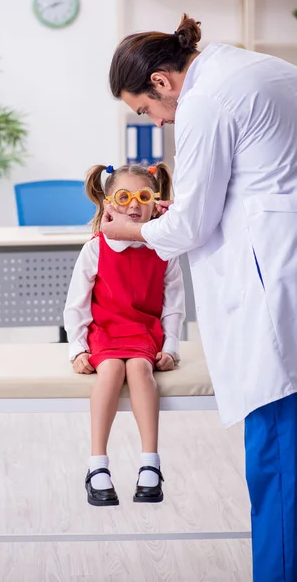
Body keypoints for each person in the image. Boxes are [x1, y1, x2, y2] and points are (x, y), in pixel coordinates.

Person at [104, 12, 297, 582]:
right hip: (282, 255)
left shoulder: (204, 101)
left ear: (161, 82)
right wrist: (177, 212)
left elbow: (192, 229)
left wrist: (132, 231)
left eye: (146, 110)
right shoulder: (255, 67)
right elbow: (254, 180)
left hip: (271, 284)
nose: (156, 121)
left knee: (277, 455)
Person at [64, 162, 185, 507]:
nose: (134, 205)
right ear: (109, 202)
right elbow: (76, 305)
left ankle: (150, 462)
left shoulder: (164, 250)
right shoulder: (95, 249)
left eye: (143, 197)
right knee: (113, 370)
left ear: (155, 201)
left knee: (140, 370)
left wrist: (172, 348)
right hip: (105, 331)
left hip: (143, 332)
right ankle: (97, 465)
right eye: (125, 196)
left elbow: (174, 305)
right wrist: (77, 349)